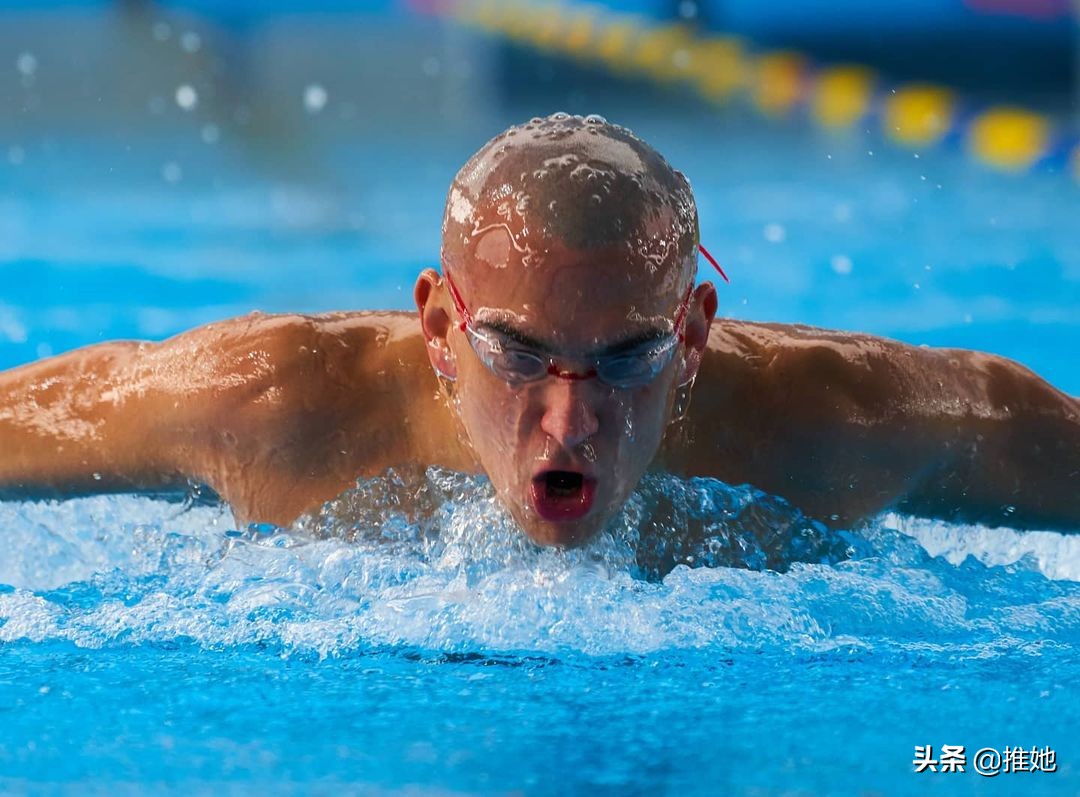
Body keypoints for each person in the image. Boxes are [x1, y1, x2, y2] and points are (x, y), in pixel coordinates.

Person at [1, 113, 1077, 548]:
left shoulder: (838, 422)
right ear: (437, 323)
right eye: (517, 354)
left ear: (695, 333)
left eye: (629, 357)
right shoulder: (272, 405)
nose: (570, 421)